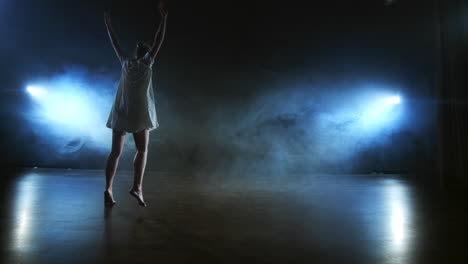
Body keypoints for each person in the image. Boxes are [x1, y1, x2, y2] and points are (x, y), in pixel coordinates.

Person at [103, 2, 168, 207]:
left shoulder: (125, 62)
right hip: (139, 113)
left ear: (135, 52)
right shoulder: (147, 63)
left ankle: (108, 188)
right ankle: (137, 187)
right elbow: (159, 40)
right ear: (146, 54)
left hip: (122, 111)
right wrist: (164, 18)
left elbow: (115, 42)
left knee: (115, 152)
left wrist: (108, 24)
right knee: (142, 150)